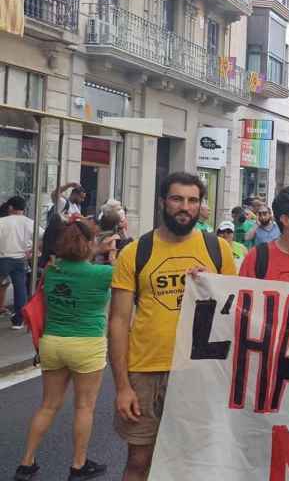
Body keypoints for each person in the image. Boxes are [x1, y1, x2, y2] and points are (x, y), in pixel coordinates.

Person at [108, 173, 236, 480]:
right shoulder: (135, 252)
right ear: (163, 202)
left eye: (193, 201)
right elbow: (119, 321)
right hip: (146, 372)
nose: (185, 207)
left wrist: (213, 284)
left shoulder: (218, 250)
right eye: (177, 199)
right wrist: (122, 386)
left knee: (196, 462)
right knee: (140, 461)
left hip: (199, 373)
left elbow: (235, 310)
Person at [14, 219, 118, 481]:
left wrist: (95, 248)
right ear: (90, 244)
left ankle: (26, 463)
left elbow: (75, 259)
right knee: (84, 407)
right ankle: (78, 465)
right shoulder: (103, 274)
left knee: (48, 405)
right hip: (86, 344)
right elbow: (122, 277)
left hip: (53, 342)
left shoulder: (53, 270)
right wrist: (111, 253)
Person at [0, 197, 39, 330]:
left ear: (10, 207)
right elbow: (42, 235)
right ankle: (18, 321)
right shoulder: (30, 222)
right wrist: (33, 249)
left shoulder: (2, 221)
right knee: (20, 289)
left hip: (3, 258)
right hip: (20, 259)